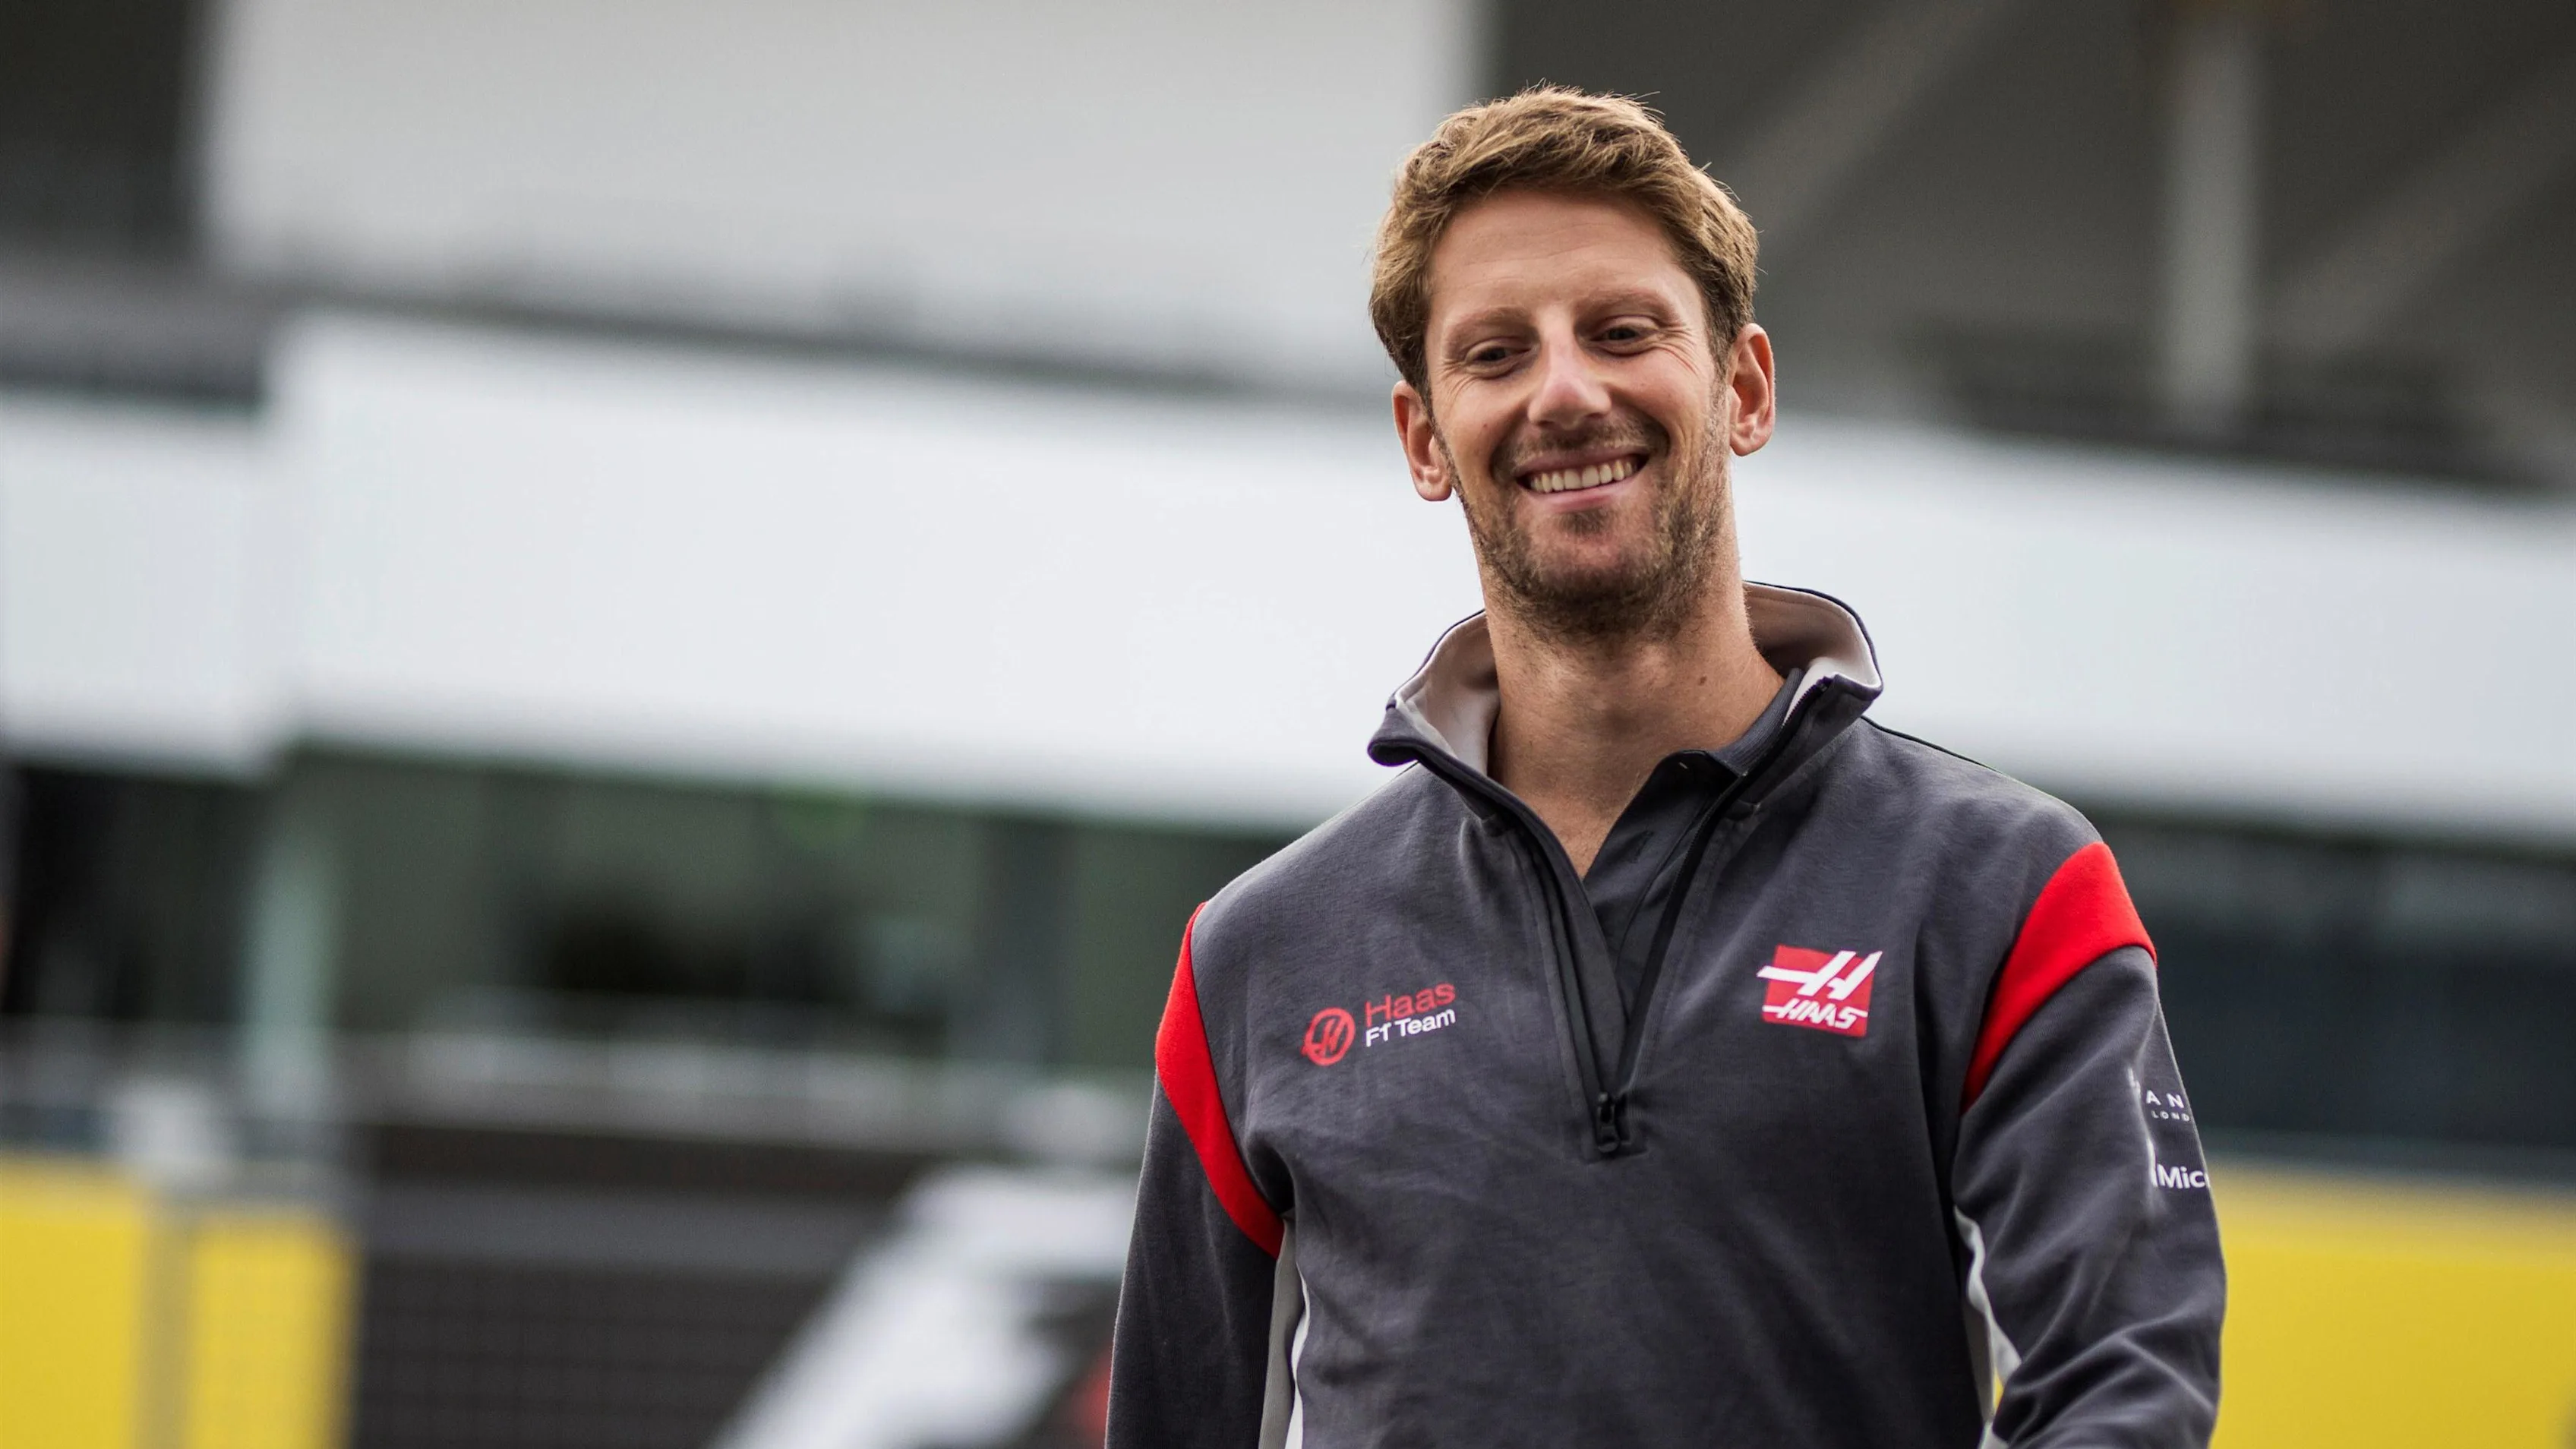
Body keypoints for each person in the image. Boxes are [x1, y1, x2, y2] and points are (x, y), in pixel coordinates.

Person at [1108, 88, 2223, 1447]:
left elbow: (2125, 1389)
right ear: (1423, 436)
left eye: (1623, 332)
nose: (1566, 392)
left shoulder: (2005, 890)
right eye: (1496, 352)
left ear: (1743, 386)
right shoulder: (1259, 956)